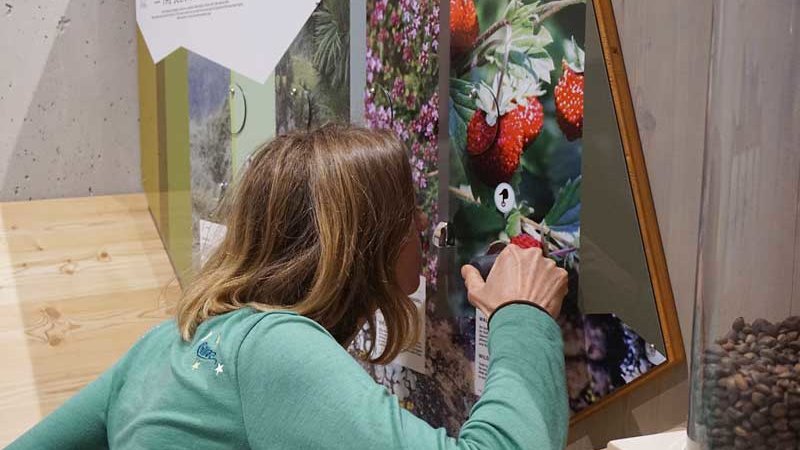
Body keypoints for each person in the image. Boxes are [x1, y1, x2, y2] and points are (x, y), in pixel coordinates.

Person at [9, 125, 569, 449]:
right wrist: (522, 315)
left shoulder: (171, 343)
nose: (423, 225)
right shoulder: (272, 352)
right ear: (360, 239)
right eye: (406, 209)